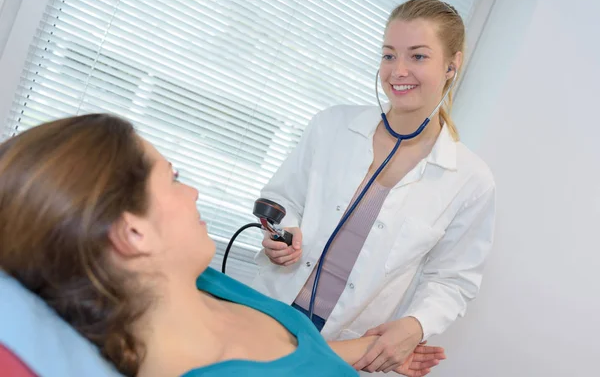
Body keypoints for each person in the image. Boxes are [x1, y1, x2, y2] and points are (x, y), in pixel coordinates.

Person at [0, 114, 446, 377]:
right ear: (133, 234)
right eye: (172, 180)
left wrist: (381, 353)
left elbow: (301, 354)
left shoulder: (204, 284)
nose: (192, 192)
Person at [250, 0, 496, 374]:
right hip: (270, 310)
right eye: (388, 55)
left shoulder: (470, 179)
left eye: (417, 57)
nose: (398, 71)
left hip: (351, 343)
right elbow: (283, 198)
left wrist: (415, 326)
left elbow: (452, 279)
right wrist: (285, 232)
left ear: (452, 65)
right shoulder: (332, 126)